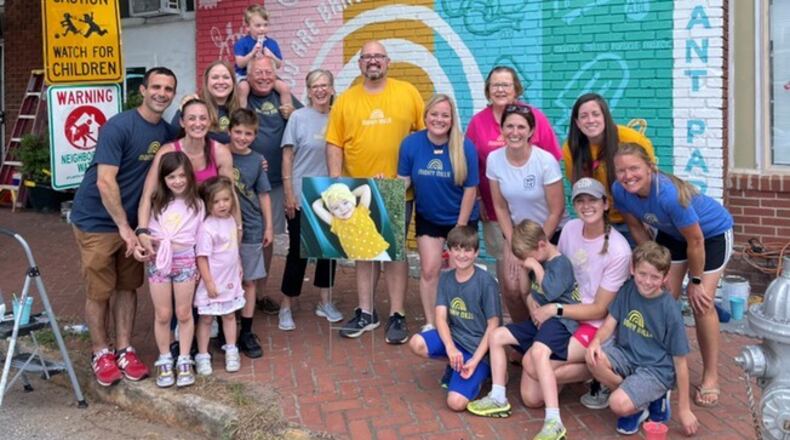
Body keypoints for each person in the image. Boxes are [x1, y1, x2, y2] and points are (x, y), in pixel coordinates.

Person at [70, 67, 178, 387]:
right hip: (97, 221)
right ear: (142, 90)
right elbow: (105, 181)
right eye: (156, 87)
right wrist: (124, 228)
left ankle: (124, 349)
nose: (161, 93)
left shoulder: (167, 133)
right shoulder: (119, 126)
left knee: (128, 287)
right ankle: (100, 351)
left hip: (133, 225)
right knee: (100, 290)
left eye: (168, 89)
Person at [612, 143, 734, 408]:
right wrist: (651, 265)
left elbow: (696, 240)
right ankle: (660, 365)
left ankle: (711, 375)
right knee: (661, 297)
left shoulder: (668, 195)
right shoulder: (620, 191)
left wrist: (696, 281)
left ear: (650, 168)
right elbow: (637, 229)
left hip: (709, 235)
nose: (627, 175)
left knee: (701, 303)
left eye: (634, 168)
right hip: (673, 234)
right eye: (621, 170)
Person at [325, 40, 425, 343]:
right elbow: (334, 143)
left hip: (397, 189)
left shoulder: (408, 92)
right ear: (360, 64)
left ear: (388, 61)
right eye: (367, 57)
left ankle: (397, 314)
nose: (373, 61)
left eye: (378, 56)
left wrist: (411, 177)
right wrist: (336, 183)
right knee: (364, 252)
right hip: (357, 192)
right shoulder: (345, 100)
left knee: (394, 252)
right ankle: (366, 312)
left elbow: (422, 137)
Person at [519, 178, 631, 421]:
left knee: (533, 365)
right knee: (531, 397)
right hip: (566, 318)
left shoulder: (619, 250)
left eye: (593, 200)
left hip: (593, 324)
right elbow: (553, 273)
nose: (586, 205)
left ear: (605, 204)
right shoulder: (570, 229)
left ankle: (601, 373)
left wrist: (555, 309)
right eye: (580, 200)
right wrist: (531, 298)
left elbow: (599, 309)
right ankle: (585, 370)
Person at [468, 220, 579, 440]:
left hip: (561, 323)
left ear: (541, 245)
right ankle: (498, 396)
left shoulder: (560, 263)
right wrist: (524, 270)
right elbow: (525, 291)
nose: (527, 261)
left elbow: (551, 291)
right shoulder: (537, 260)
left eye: (528, 256)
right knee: (497, 336)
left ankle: (554, 421)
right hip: (541, 321)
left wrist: (536, 267)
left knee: (539, 353)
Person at [466, 66, 560, 306]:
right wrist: (479, 199)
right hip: (496, 209)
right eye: (495, 85)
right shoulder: (478, 122)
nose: (500, 90)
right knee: (508, 271)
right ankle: (512, 315)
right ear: (488, 89)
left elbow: (551, 160)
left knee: (533, 271)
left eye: (505, 85)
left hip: (534, 210)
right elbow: (472, 163)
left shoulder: (534, 117)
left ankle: (540, 314)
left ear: (516, 88)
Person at [585, 242, 699, 436]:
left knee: (617, 403)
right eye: (642, 274)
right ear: (633, 269)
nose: (647, 281)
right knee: (593, 358)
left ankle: (645, 397)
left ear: (665, 277)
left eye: (655, 277)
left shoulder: (669, 309)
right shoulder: (628, 289)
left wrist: (684, 409)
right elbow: (609, 325)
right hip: (626, 356)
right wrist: (595, 342)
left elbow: (680, 362)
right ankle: (641, 402)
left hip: (655, 369)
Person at [398, 93, 479, 329]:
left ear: (452, 119)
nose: (439, 119)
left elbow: (471, 189)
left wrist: (460, 228)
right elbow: (404, 181)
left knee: (459, 272)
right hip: (429, 217)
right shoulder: (411, 144)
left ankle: (460, 324)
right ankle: (432, 323)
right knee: (429, 270)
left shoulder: (464, 146)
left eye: (445, 115)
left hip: (460, 218)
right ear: (425, 116)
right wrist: (384, 187)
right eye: (434, 114)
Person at [486, 104, 567, 323]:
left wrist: (534, 247)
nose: (515, 132)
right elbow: (500, 207)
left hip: (548, 233)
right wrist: (515, 246)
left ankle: (549, 333)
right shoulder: (494, 159)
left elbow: (556, 211)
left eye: (521, 127)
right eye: (509, 126)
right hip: (517, 234)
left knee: (547, 288)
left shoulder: (545, 161)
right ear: (501, 129)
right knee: (512, 288)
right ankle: (523, 333)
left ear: (531, 131)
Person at [408, 225, 501, 411]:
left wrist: (475, 360)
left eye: (467, 250)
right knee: (416, 342)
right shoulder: (446, 278)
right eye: (457, 249)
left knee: (455, 403)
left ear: (476, 253)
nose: (462, 255)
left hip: (478, 349)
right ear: (449, 251)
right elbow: (440, 318)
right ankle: (455, 363)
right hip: (456, 339)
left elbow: (494, 325)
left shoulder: (486, 282)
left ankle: (486, 371)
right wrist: (450, 348)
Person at [280, 69, 340, 330]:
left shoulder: (339, 116)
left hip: (331, 194)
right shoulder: (298, 117)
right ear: (308, 90)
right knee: (298, 252)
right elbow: (287, 157)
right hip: (301, 193)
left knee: (329, 251)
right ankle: (286, 305)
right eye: (315, 86)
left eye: (324, 85)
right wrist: (289, 194)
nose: (320, 90)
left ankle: (325, 301)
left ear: (332, 88)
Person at [139, 151, 203, 388]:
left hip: (185, 261)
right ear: (163, 179)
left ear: (189, 176)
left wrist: (200, 265)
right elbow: (145, 233)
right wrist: (143, 244)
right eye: (171, 177)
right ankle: (165, 357)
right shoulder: (156, 202)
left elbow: (201, 238)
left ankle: (184, 358)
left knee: (184, 312)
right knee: (163, 314)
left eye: (181, 176)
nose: (177, 181)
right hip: (159, 262)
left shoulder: (197, 204)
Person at [247, 55, 303, 315]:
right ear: (248, 76)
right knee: (241, 238)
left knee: (267, 239)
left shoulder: (284, 97)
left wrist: (290, 103)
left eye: (268, 72)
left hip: (276, 183)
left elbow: (306, 118)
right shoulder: (241, 95)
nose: (263, 77)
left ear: (276, 75)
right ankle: (239, 293)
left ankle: (260, 293)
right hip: (244, 184)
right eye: (258, 73)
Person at [562, 93, 656, 244]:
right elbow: (579, 187)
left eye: (595, 114)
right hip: (598, 221)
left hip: (637, 219)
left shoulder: (631, 139)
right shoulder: (570, 149)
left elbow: (651, 179)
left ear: (605, 116)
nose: (590, 120)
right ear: (577, 123)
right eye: (584, 116)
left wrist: (648, 217)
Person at [223, 108, 273, 356]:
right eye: (238, 132)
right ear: (229, 131)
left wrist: (269, 225)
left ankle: (246, 330)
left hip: (252, 225)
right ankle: (224, 327)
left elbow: (263, 194)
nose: (242, 138)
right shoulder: (219, 153)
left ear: (255, 135)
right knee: (224, 277)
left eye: (248, 134)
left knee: (249, 280)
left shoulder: (256, 160)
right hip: (223, 227)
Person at [194, 177, 247, 374]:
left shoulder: (231, 220)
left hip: (230, 279)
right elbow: (202, 257)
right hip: (213, 281)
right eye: (216, 201)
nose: (222, 205)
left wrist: (238, 265)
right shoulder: (207, 227)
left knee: (229, 315)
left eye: (226, 199)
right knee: (207, 319)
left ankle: (231, 349)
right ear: (208, 204)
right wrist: (208, 283)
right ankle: (203, 354)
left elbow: (233, 248)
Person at [233, 4, 292, 112]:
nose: (262, 29)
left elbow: (279, 64)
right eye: (258, 25)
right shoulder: (242, 43)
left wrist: (271, 56)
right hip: (243, 75)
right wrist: (252, 53)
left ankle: (287, 113)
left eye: (265, 25)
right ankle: (241, 114)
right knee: (243, 88)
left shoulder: (272, 43)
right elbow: (240, 64)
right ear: (248, 27)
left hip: (266, 76)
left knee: (284, 88)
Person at [312, 183, 390, 261]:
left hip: (378, 253)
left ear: (352, 200)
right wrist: (326, 198)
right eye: (336, 208)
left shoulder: (362, 211)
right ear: (332, 213)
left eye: (345, 202)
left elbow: (365, 188)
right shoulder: (336, 223)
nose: (342, 209)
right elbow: (316, 206)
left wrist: (349, 195)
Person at [172, 60, 241, 146]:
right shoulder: (193, 106)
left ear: (233, 82)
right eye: (215, 77)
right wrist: (184, 109)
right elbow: (173, 135)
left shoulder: (240, 108)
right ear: (206, 82)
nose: (221, 82)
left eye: (226, 77)